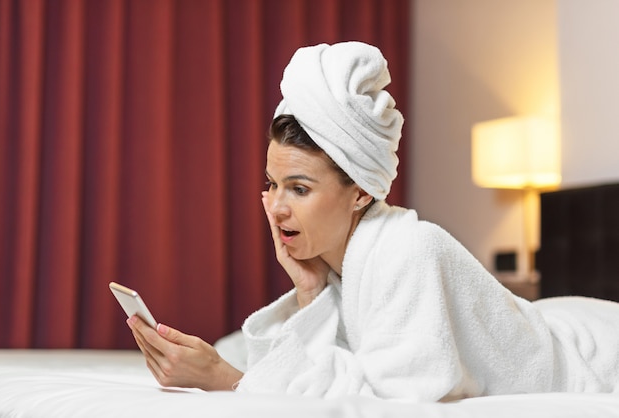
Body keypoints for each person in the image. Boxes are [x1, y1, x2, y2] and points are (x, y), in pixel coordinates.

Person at [127, 41, 619, 401]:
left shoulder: (410, 248)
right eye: (271, 184)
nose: (276, 207)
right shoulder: (338, 261)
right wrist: (308, 291)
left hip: (592, 348)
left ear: (361, 190)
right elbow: (331, 370)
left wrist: (225, 378)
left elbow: (393, 398)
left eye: (299, 188)